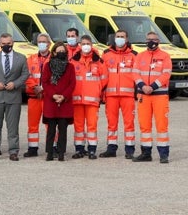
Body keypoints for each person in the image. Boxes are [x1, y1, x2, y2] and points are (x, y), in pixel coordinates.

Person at [0, 33, 30, 161]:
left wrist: (15, 84)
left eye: (8, 44)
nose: (6, 46)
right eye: (3, 44)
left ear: (13, 43)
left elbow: (25, 74)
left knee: (13, 127)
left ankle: (13, 151)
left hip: (13, 97)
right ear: (0, 44)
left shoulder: (21, 58)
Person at [132, 31, 172, 163]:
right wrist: (143, 86)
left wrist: (152, 86)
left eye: (154, 39)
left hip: (159, 95)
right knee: (144, 125)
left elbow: (166, 74)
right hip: (144, 95)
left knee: (161, 125)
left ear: (158, 41)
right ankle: (146, 153)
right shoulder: (140, 56)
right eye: (148, 39)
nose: (151, 42)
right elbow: (135, 73)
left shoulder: (165, 56)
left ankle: (163, 154)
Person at [100, 29, 137, 159]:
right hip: (111, 95)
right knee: (111, 123)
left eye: (122, 36)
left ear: (127, 39)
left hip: (128, 96)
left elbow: (138, 75)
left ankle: (130, 149)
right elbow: (101, 74)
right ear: (114, 38)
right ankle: (111, 148)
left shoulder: (133, 55)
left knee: (129, 123)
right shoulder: (106, 54)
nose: (120, 38)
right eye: (118, 36)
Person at [70, 34, 108, 159]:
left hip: (92, 100)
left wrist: (96, 91)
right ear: (79, 46)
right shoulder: (73, 61)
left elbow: (104, 79)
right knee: (78, 126)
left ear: (92, 45)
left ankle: (92, 150)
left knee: (92, 126)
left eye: (88, 44)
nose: (86, 46)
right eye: (83, 44)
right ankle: (79, 149)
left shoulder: (99, 61)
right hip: (77, 100)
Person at [41, 41, 75, 161]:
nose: (61, 53)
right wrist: (54, 95)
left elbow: (72, 84)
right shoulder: (48, 65)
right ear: (54, 52)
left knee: (63, 130)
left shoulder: (70, 67)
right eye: (58, 51)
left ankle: (61, 153)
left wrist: (63, 96)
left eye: (63, 51)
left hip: (64, 103)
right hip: (51, 102)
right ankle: (49, 153)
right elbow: (44, 82)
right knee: (50, 130)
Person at [23, 33, 52, 157]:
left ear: (49, 44)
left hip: (48, 98)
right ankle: (32, 148)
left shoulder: (54, 59)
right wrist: (35, 87)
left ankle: (52, 147)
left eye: (44, 41)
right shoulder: (30, 59)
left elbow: (56, 78)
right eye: (39, 41)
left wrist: (44, 89)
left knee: (50, 124)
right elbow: (26, 75)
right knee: (32, 125)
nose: (41, 44)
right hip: (33, 96)